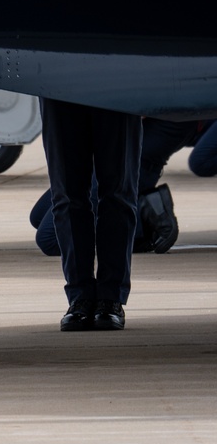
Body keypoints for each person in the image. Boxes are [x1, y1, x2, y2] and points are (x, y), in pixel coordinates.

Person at [30, 118, 210, 256]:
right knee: (38, 217)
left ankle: (147, 220)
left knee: (51, 240)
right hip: (109, 157)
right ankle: (135, 209)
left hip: (124, 165)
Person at [40, 97, 141, 332]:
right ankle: (79, 295)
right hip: (55, 77)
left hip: (118, 78)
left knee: (118, 193)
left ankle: (111, 297)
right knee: (66, 193)